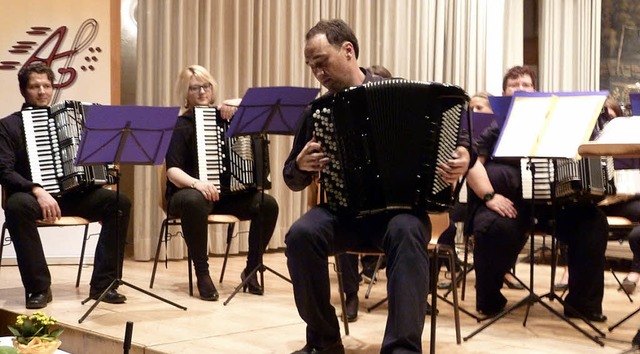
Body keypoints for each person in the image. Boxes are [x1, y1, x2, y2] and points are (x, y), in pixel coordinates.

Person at [283, 19, 471, 353]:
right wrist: (300, 165)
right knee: (300, 235)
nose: (318, 73)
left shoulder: (409, 94)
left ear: (348, 51)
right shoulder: (317, 111)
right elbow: (290, 176)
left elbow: (457, 131)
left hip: (400, 215)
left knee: (408, 231)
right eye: (312, 67)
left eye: (322, 62)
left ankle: (401, 349)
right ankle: (324, 342)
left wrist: (463, 156)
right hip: (343, 215)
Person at [466, 65, 609, 321]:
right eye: (513, 85)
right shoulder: (495, 129)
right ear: (504, 93)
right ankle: (489, 300)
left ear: (536, 91)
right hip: (512, 204)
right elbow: (474, 163)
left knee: (593, 222)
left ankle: (582, 304)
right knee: (491, 228)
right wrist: (489, 196)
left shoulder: (559, 124)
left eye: (526, 84)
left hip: (557, 204)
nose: (520, 89)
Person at [0, 62, 131, 309]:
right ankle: (38, 288)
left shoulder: (72, 118)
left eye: (46, 86)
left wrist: (104, 168)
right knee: (16, 206)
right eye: (34, 86)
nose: (42, 92)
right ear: (23, 91)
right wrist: (37, 190)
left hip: (75, 195)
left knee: (118, 202)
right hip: (34, 199)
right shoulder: (8, 126)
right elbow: (3, 170)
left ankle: (104, 284)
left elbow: (93, 161)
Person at [164, 64, 279, 301]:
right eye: (194, 88)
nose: (202, 92)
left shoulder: (226, 115)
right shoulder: (180, 124)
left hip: (227, 196)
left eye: (206, 86)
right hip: (188, 194)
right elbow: (172, 170)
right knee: (195, 201)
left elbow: (262, 107)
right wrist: (197, 183)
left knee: (267, 204)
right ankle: (203, 274)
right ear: (185, 93)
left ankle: (252, 268)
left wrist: (237, 102)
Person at [335, 64, 394, 323]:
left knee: (407, 227)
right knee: (339, 221)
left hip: (393, 203)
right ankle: (351, 293)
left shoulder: (397, 115)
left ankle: (404, 297)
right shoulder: (344, 114)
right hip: (355, 198)